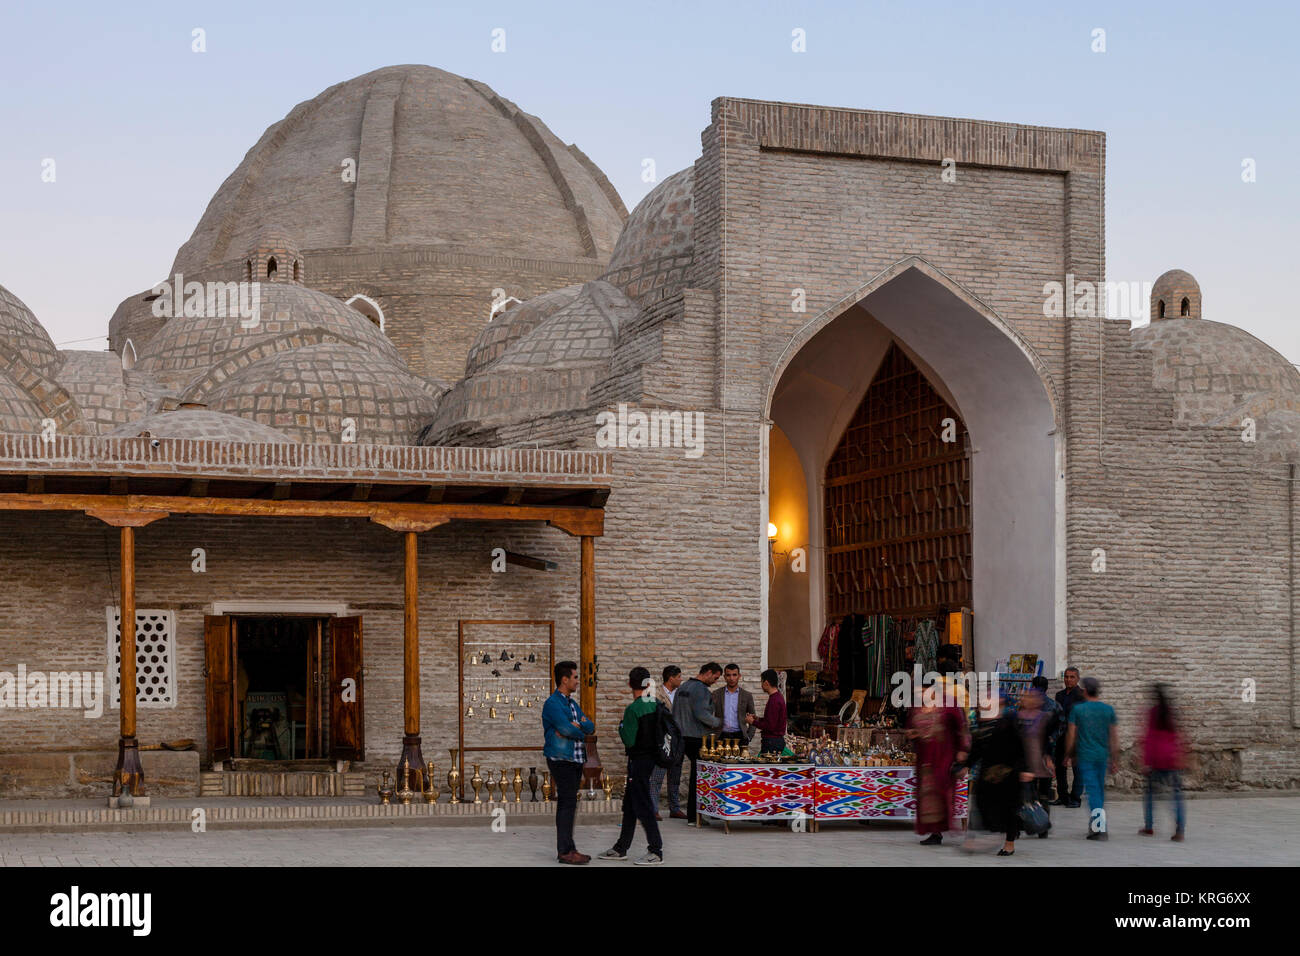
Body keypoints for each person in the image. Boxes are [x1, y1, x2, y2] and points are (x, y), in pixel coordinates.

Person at [597, 668, 665, 865]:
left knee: (643, 805)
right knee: (630, 805)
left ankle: (656, 850)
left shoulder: (633, 709)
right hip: (653, 760)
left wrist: (621, 727)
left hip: (639, 762)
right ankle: (621, 847)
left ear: (629, 684)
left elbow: (629, 740)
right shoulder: (656, 704)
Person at [905, 673, 970, 846]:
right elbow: (912, 727)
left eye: (924, 690)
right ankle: (935, 832)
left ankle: (945, 826)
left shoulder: (950, 705)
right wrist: (913, 734)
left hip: (944, 757)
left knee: (942, 792)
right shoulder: (917, 706)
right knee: (927, 794)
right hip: (925, 759)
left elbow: (962, 728)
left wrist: (963, 751)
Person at [542, 660, 595, 864]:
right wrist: (576, 727)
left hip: (576, 758)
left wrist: (578, 726)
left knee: (570, 803)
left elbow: (589, 726)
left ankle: (569, 848)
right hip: (561, 759)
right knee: (566, 804)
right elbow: (566, 729)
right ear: (565, 679)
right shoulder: (553, 704)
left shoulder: (572, 703)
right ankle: (565, 851)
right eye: (575, 677)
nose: (578, 681)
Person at [969, 702, 1028, 857]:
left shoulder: (1009, 720)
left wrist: (1025, 769)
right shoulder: (982, 724)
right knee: (982, 802)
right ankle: (999, 832)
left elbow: (1021, 745)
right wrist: (964, 765)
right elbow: (977, 748)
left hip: (1009, 772)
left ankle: (1009, 843)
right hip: (988, 774)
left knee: (1009, 808)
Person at [1065, 676, 1118, 840]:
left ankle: (1099, 828)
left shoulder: (1078, 710)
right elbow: (1114, 737)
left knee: (1093, 791)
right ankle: (1096, 823)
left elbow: (1071, 735)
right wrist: (1115, 758)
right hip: (1102, 755)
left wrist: (1068, 755)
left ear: (1085, 691)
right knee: (1099, 791)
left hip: (1086, 755)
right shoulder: (1108, 709)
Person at [673, 662, 722, 826]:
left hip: (681, 736)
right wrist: (719, 722)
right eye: (715, 678)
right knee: (699, 777)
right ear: (708, 672)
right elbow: (702, 714)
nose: (714, 682)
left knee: (691, 774)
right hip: (697, 737)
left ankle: (693, 815)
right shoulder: (701, 690)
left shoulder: (683, 687)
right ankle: (695, 816)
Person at [1139, 683, 1186, 841]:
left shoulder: (1153, 712)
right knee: (1176, 796)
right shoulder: (1171, 713)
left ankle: (1149, 826)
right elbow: (1179, 735)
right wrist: (1181, 756)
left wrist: (1146, 761)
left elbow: (1149, 737)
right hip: (1172, 758)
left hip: (1156, 759)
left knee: (1150, 794)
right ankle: (1179, 829)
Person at [1016, 681, 1055, 838]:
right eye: (1026, 697)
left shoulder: (1045, 717)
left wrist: (1049, 757)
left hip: (1041, 762)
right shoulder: (1017, 717)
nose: (1027, 700)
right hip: (1024, 763)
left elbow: (1050, 739)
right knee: (1022, 797)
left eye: (1031, 697)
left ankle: (1042, 826)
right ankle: (1018, 827)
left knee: (1042, 796)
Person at [649, 665, 687, 820]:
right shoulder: (655, 694)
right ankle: (653, 809)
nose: (680, 679)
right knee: (657, 776)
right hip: (662, 739)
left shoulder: (682, 694)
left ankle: (675, 808)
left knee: (675, 776)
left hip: (678, 740)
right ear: (671, 677)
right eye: (678, 677)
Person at [1053, 666, 1085, 807]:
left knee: (1077, 768)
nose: (1068, 679)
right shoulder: (1059, 695)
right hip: (1060, 735)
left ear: (1078, 679)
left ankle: (1076, 798)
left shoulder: (1082, 695)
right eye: (1066, 676)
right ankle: (1063, 796)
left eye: (1072, 677)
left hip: (1076, 737)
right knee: (1060, 767)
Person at [711, 663, 756, 748]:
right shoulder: (716, 694)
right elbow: (708, 715)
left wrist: (748, 737)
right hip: (721, 736)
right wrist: (712, 736)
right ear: (724, 677)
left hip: (740, 736)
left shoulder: (747, 695)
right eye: (728, 675)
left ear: (739, 676)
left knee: (740, 761)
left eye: (734, 675)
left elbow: (753, 718)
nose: (731, 678)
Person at [746, 669, 787, 754]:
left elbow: (770, 726)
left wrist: (753, 722)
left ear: (766, 683)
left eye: (761, 682)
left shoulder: (774, 700)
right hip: (774, 741)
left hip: (772, 742)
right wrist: (758, 719)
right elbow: (772, 721)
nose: (761, 685)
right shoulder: (777, 697)